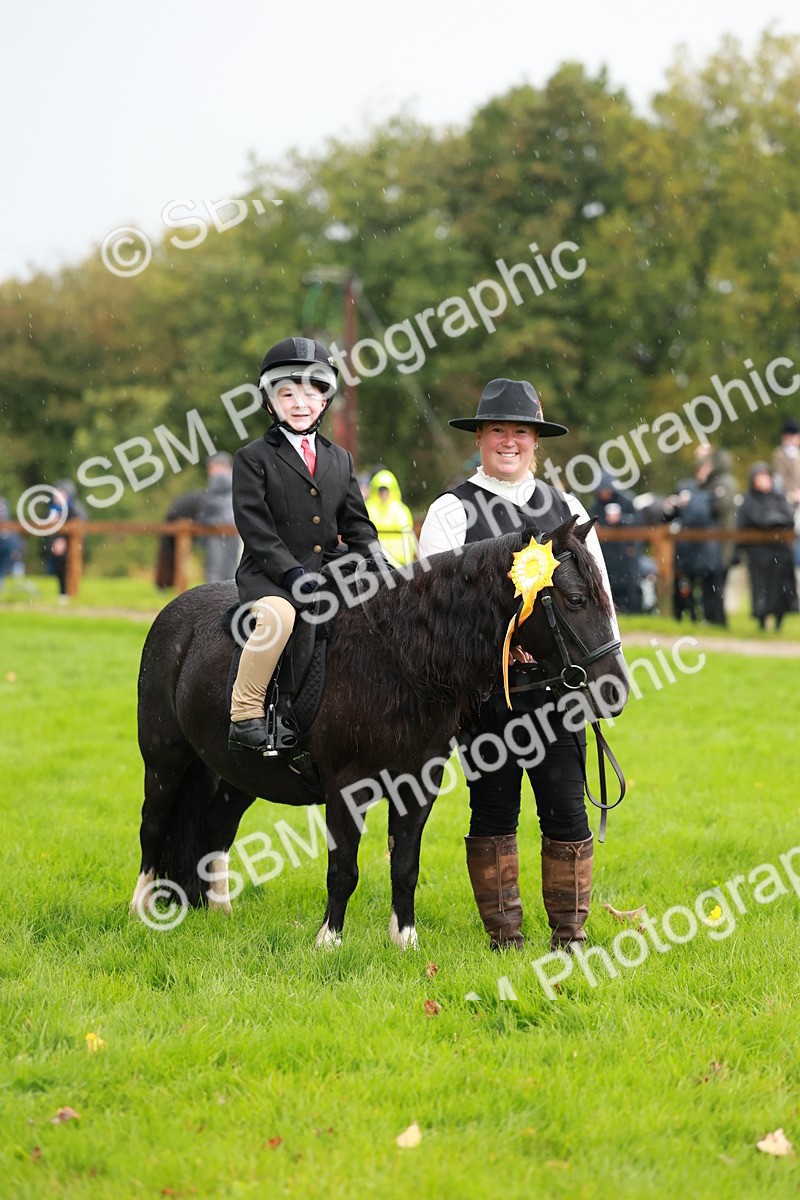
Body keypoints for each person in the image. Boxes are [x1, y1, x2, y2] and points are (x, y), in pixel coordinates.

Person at [419, 378, 623, 951]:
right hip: (488, 699)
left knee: (566, 815)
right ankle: (505, 939)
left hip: (559, 698)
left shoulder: (568, 509)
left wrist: (610, 676)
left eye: (521, 432)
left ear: (536, 440)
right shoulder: (451, 511)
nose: (509, 442)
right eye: (498, 431)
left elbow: (599, 602)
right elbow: (434, 613)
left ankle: (570, 938)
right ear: (481, 437)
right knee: (493, 813)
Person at [228, 336, 382, 753]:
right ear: (269, 402)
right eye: (288, 393)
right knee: (279, 617)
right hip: (272, 577)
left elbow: (357, 524)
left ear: (324, 400)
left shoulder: (340, 459)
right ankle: (246, 712)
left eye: (311, 393)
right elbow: (255, 527)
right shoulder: (252, 457)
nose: (300, 403)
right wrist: (293, 573)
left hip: (329, 572)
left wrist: (376, 560)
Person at [736, 463, 798, 631]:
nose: (764, 481)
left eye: (766, 477)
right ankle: (762, 620)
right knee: (761, 588)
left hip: (780, 551)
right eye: (760, 477)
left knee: (780, 588)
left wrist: (773, 520)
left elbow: (788, 518)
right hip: (759, 552)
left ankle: (779, 620)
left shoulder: (778, 497)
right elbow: (755, 520)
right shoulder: (749, 500)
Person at [588, 473, 640, 613]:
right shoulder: (596, 505)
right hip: (606, 551)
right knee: (609, 582)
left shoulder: (626, 501)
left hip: (625, 551)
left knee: (628, 583)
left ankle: (630, 612)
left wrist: (621, 519)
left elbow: (637, 523)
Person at [197, 452, 241, 583]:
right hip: (233, 527)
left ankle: (212, 600)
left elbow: (210, 503)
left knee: (215, 569)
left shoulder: (219, 478)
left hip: (217, 528)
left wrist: (202, 520)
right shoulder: (238, 478)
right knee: (231, 566)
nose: (209, 471)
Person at [45, 479, 87, 600]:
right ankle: (63, 593)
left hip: (71, 546)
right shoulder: (53, 510)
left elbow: (80, 527)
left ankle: (68, 593)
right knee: (59, 568)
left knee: (69, 568)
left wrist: (63, 540)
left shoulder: (74, 509)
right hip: (56, 545)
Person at [155, 488, 205, 589]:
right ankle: (168, 583)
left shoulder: (200, 497)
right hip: (177, 518)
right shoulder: (204, 499)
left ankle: (165, 583)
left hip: (175, 516)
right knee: (172, 552)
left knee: (168, 552)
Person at [365, 468, 416, 567]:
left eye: (386, 490)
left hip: (399, 564)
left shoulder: (402, 510)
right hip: (375, 564)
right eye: (380, 490)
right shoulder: (368, 508)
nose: (383, 493)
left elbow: (409, 538)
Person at [772, 418, 800, 566]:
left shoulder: (797, 454)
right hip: (789, 501)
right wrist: (791, 494)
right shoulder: (780, 455)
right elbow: (779, 481)